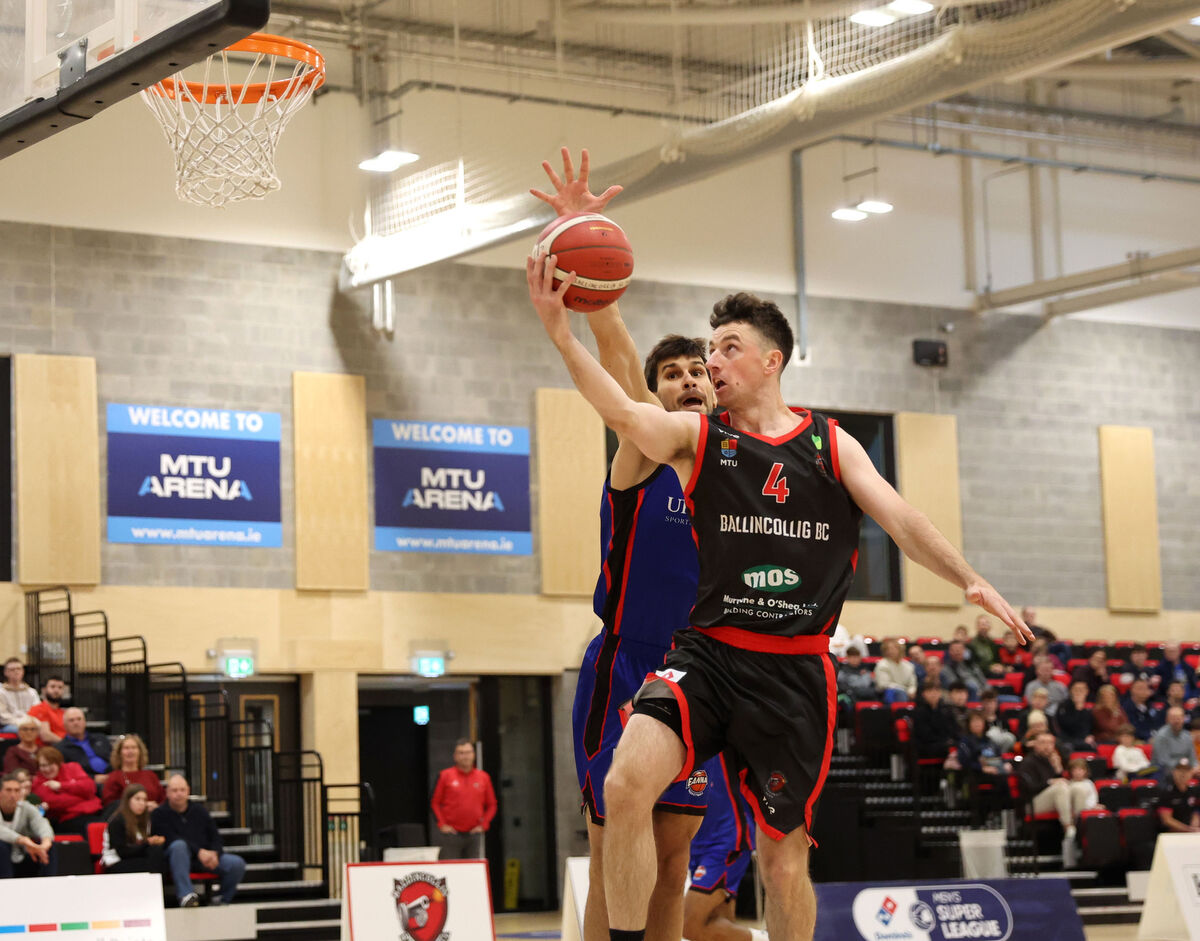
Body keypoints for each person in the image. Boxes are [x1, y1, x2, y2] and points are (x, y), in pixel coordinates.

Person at [529, 214, 1031, 941]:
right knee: (624, 782)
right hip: (702, 653)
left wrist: (971, 578)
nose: (711, 365)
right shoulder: (699, 438)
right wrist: (560, 332)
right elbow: (620, 405)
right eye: (706, 351)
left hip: (792, 671)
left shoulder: (830, 443)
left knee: (782, 859)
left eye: (725, 351)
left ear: (771, 362)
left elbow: (902, 518)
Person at [535, 148, 715, 941]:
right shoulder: (645, 448)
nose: (685, 382)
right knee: (617, 841)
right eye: (670, 373)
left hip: (704, 667)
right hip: (629, 660)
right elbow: (617, 366)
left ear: (718, 386)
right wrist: (585, 248)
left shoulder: (736, 469)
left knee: (675, 858)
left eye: (696, 372)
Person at [682, 757, 767, 941]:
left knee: (688, 925)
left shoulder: (723, 736)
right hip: (697, 841)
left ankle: (769, 938)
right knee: (717, 922)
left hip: (727, 838)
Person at [151, 774, 245, 907]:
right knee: (179, 846)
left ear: (188, 791)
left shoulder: (200, 811)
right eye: (175, 790)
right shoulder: (159, 814)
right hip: (177, 860)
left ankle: (222, 899)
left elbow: (215, 836)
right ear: (167, 792)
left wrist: (215, 853)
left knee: (236, 864)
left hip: (205, 859)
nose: (179, 794)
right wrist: (199, 852)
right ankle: (186, 896)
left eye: (182, 790)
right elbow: (170, 837)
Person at [1017, 731, 1091, 842]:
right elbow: (1029, 788)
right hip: (1031, 803)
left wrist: (1058, 770)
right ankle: (1068, 827)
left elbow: (1056, 782)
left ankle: (1081, 826)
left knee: (1078, 789)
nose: (1047, 746)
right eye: (1043, 743)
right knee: (1060, 787)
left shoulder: (1049, 761)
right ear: (1035, 745)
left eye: (1050, 743)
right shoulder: (1028, 762)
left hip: (1051, 798)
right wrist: (1050, 782)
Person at [431, 740, 497, 861]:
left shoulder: (483, 777)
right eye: (461, 753)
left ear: (473, 754)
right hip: (451, 834)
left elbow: (492, 804)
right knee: (450, 869)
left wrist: (484, 824)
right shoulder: (445, 775)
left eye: (468, 752)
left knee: (472, 869)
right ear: (455, 756)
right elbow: (434, 803)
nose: (465, 756)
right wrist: (442, 824)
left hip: (474, 834)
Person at [31, 746, 102, 835]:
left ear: (58, 763)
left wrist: (61, 786)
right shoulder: (38, 782)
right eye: (43, 765)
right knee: (95, 828)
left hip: (96, 811)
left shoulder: (72, 767)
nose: (47, 769)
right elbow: (56, 802)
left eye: (51, 764)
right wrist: (83, 795)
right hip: (70, 818)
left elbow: (90, 787)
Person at [0, 771, 55, 879]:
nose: (13, 794)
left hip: (24, 854)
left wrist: (45, 843)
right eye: (8, 790)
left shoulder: (26, 807)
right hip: (5, 856)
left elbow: (41, 823)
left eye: (17, 790)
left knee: (49, 847)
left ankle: (50, 882)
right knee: (1, 846)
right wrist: (23, 840)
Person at [101, 783, 166, 873]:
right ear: (128, 800)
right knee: (152, 864)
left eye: (144, 800)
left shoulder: (145, 820)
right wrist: (147, 843)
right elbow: (122, 852)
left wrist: (154, 841)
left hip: (134, 859)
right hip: (115, 862)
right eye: (137, 799)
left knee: (158, 854)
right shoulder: (117, 821)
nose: (142, 803)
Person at [100, 734, 164, 810]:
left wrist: (157, 807)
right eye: (126, 748)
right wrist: (141, 806)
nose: (130, 751)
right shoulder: (114, 777)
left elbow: (162, 799)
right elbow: (110, 804)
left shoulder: (151, 775)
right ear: (119, 753)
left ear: (140, 752)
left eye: (134, 748)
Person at [56, 707, 111, 789]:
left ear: (85, 722)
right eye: (71, 720)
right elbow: (66, 774)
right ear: (64, 725)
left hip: (111, 776)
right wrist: (92, 778)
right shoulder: (60, 748)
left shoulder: (101, 738)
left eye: (79, 719)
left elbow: (115, 759)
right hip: (86, 784)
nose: (76, 723)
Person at [913, 681, 961, 760]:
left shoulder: (946, 709)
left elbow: (954, 729)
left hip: (945, 743)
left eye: (936, 691)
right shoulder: (919, 712)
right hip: (927, 746)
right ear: (924, 694)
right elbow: (925, 735)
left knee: (964, 745)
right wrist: (945, 741)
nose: (933, 694)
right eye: (930, 691)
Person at [1151, 707, 1198, 781]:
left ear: (1184, 719)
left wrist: (1195, 768)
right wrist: (1185, 769)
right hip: (1163, 771)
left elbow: (1193, 759)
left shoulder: (1187, 736)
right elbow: (1164, 762)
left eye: (1179, 718)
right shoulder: (1161, 736)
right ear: (1167, 719)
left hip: (1185, 769)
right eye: (1173, 718)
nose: (1176, 721)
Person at [1155, 758, 1200, 833]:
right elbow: (1167, 820)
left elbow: (1196, 810)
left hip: (1192, 832)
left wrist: (1196, 817)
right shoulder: (1166, 793)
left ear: (1191, 773)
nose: (1183, 774)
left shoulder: (1195, 791)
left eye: (1186, 771)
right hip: (1172, 833)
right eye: (1180, 771)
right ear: (1174, 772)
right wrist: (1188, 829)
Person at [0, 659, 41, 733]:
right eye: (12, 669)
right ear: (6, 672)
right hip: (10, 725)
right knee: (25, 731)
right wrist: (22, 723)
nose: (16, 672)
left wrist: (30, 722)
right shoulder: (1, 692)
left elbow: (37, 710)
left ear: (23, 671)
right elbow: (3, 716)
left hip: (31, 723)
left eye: (19, 669)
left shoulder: (31, 692)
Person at [1055, 681, 1097, 751]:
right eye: (1076, 690)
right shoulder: (1063, 706)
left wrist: (1089, 736)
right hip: (1067, 739)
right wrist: (1078, 709)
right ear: (1071, 691)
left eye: (1081, 690)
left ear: (1087, 692)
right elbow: (1068, 725)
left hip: (1083, 740)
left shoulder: (1089, 709)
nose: (1078, 693)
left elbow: (1088, 727)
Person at [872, 638, 917, 703]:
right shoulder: (882, 664)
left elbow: (912, 684)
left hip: (906, 693)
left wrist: (911, 691)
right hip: (886, 694)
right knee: (898, 693)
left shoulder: (909, 666)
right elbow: (883, 684)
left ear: (900, 650)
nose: (891, 651)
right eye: (888, 649)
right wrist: (904, 690)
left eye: (894, 648)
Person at [26, 676, 66, 744]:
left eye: (60, 687)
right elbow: (46, 736)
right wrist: (68, 745)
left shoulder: (64, 713)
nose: (56, 690)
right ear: (44, 690)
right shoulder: (38, 709)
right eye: (52, 687)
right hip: (47, 750)